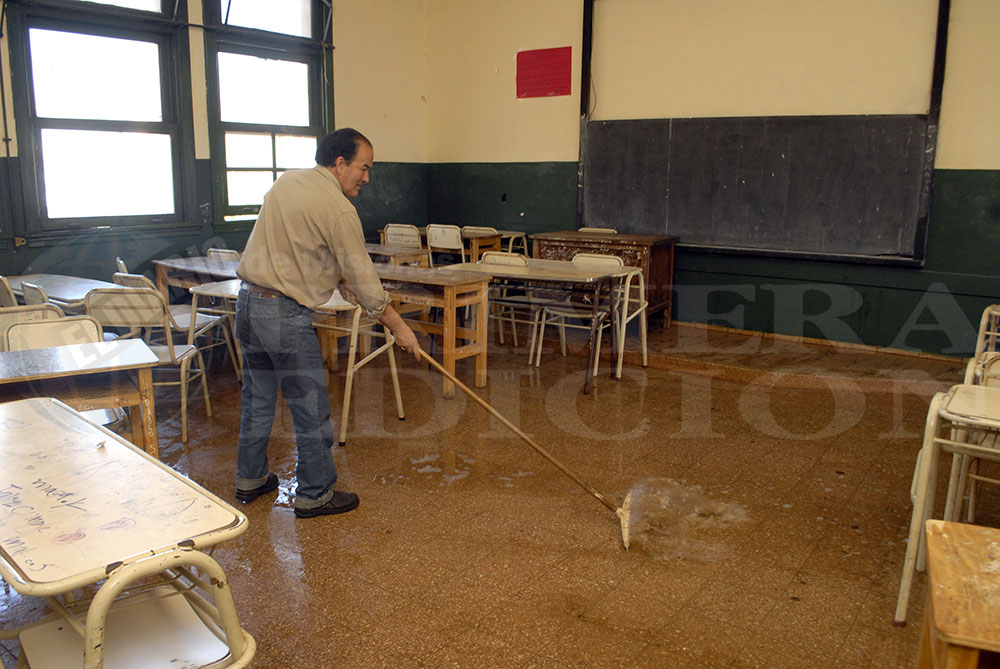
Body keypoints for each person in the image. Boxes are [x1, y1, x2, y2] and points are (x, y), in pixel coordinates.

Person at [233, 127, 420, 518]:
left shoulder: (286, 183)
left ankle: (250, 478)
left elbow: (291, 246)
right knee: (310, 407)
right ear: (339, 164)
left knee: (257, 398)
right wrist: (399, 327)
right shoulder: (338, 209)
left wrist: (335, 278)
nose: (366, 178)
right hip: (283, 315)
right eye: (363, 168)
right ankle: (315, 493)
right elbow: (366, 279)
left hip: (249, 304)